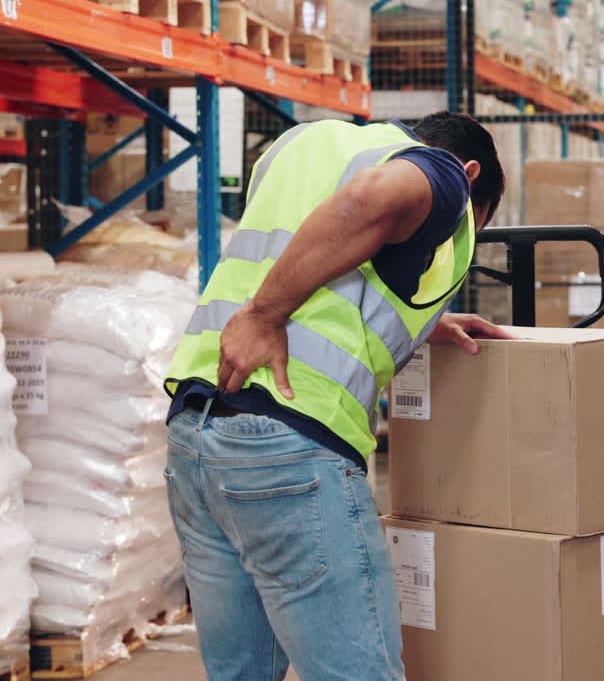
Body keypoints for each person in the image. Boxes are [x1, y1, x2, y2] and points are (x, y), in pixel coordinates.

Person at [162, 111, 513, 681]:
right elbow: (374, 199)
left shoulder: (304, 144)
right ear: (469, 175)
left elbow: (328, 252)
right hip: (286, 449)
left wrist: (426, 325)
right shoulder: (444, 174)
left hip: (197, 436)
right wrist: (265, 313)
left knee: (240, 673)